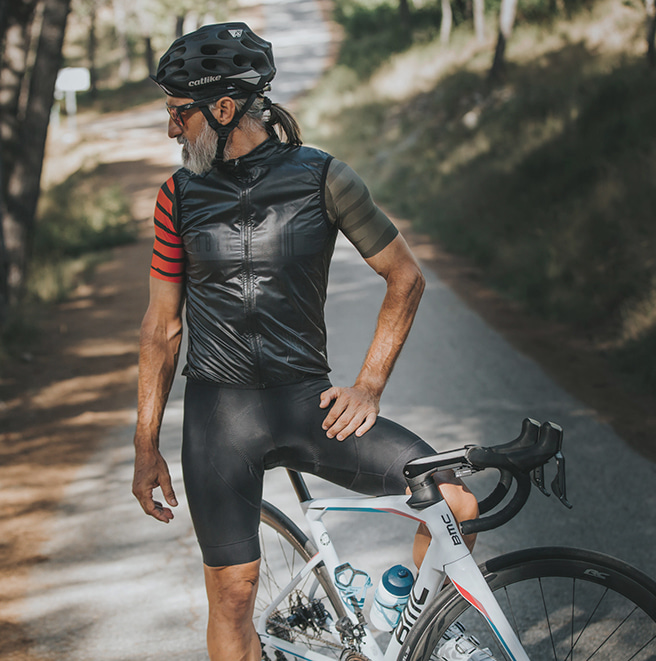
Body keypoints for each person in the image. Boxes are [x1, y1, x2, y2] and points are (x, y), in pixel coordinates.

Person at [131, 22, 479, 661]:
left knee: (454, 502)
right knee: (232, 596)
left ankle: (425, 629)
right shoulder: (176, 197)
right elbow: (161, 327)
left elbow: (405, 276)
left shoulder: (323, 178)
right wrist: (144, 442)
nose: (171, 128)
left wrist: (369, 385)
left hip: (305, 404)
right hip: (218, 420)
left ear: (224, 108)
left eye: (180, 112)